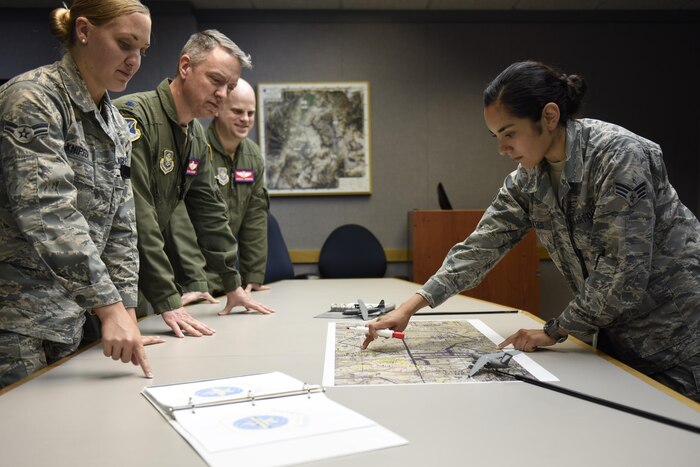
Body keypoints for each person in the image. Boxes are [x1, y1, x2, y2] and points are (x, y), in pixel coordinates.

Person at [364, 60, 700, 402]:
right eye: (496, 136)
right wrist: (411, 306)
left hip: (681, 339)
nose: (502, 149)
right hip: (621, 338)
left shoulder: (618, 156)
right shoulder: (529, 177)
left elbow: (624, 272)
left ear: (550, 117)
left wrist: (553, 331)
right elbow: (481, 246)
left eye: (509, 133)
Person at [0, 0, 156, 388]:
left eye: (142, 50)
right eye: (125, 44)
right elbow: (47, 212)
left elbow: (120, 228)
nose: (134, 60)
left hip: (75, 318)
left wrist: (127, 313)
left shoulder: (116, 124)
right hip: (18, 321)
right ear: (84, 31)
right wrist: (111, 308)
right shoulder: (33, 99)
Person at [115, 30, 275, 339]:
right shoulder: (135, 118)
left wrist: (233, 283)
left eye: (229, 86)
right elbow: (138, 216)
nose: (222, 94)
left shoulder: (195, 136)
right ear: (186, 67)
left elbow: (210, 212)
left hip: (140, 283)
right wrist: (167, 298)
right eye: (216, 81)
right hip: (107, 280)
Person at [164, 78, 270, 306]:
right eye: (237, 111)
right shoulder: (195, 145)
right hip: (188, 278)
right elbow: (180, 220)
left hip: (228, 277)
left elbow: (255, 219)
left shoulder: (252, 155)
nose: (245, 119)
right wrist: (196, 281)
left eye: (251, 113)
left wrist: (253, 276)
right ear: (219, 110)